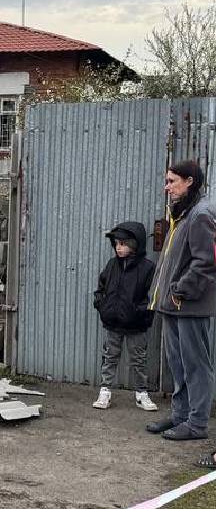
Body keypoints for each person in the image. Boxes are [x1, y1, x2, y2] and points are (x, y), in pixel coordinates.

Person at [146, 160, 216, 443]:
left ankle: (197, 424)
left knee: (196, 365)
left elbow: (207, 261)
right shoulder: (183, 212)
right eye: (167, 181)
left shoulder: (201, 214)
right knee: (178, 363)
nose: (167, 187)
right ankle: (180, 415)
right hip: (174, 306)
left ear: (189, 181)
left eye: (172, 181)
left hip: (189, 305)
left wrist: (180, 290)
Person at [92, 221, 157, 411]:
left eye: (123, 244)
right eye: (117, 244)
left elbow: (152, 296)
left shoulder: (147, 268)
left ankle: (141, 393)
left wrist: (139, 313)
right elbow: (101, 289)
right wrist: (103, 306)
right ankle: (105, 391)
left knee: (138, 359)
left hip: (136, 325)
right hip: (113, 322)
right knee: (110, 356)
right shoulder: (112, 265)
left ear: (135, 244)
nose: (119, 248)